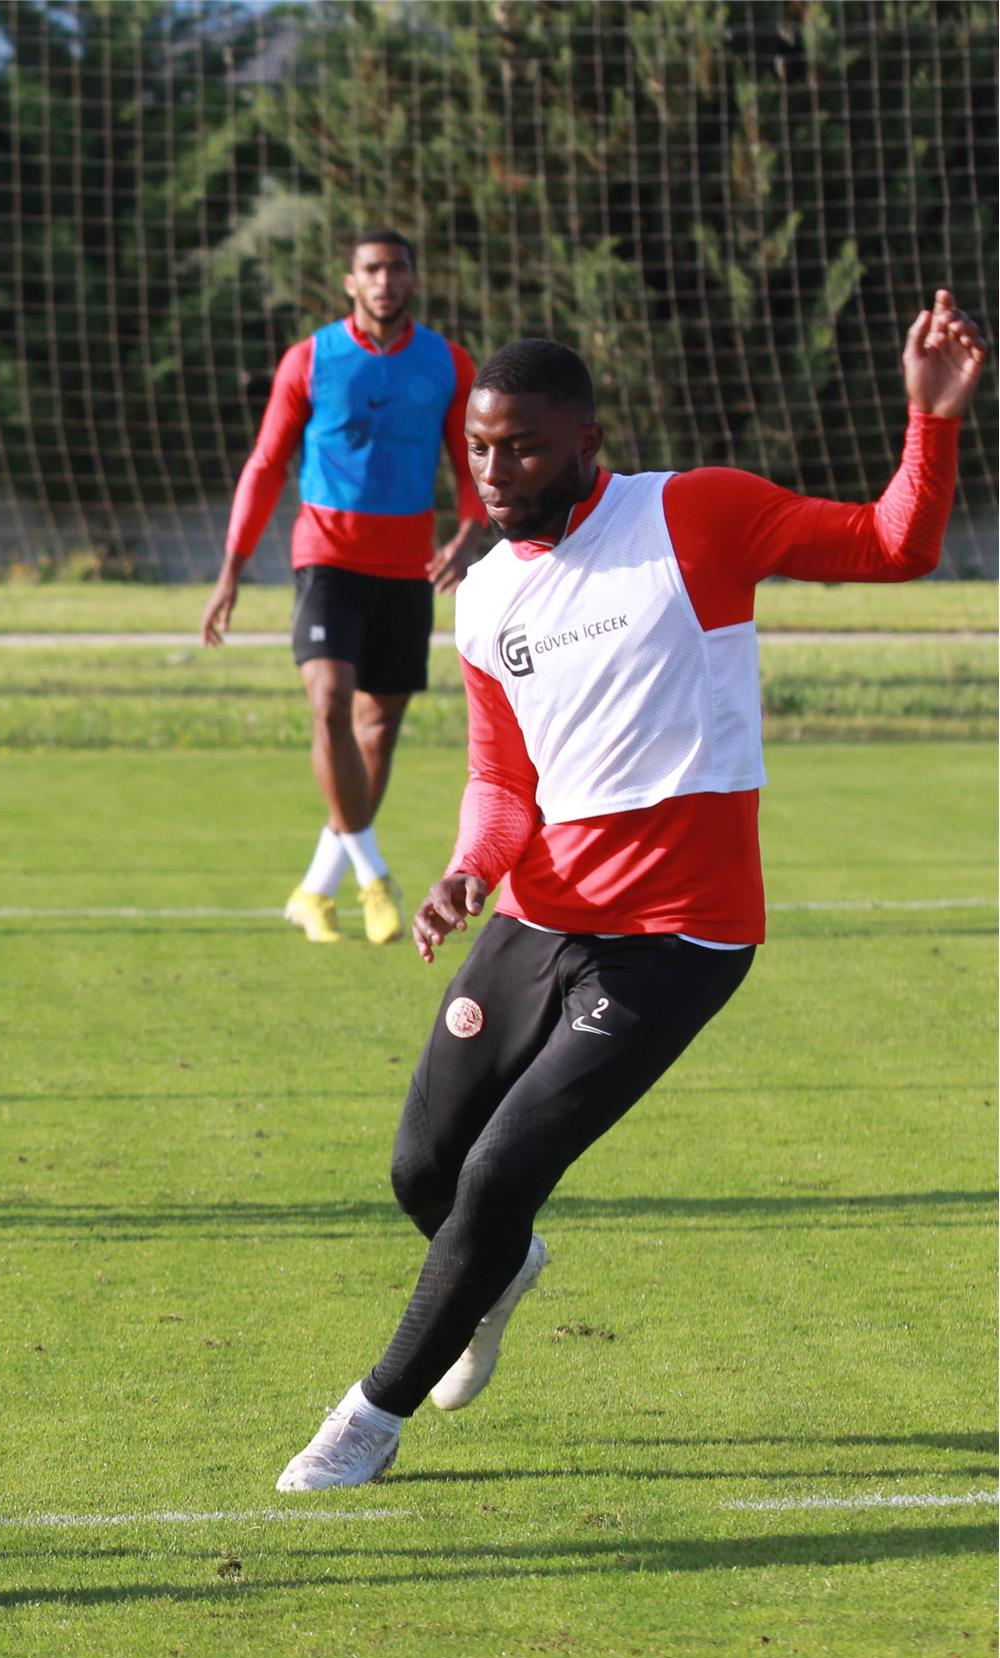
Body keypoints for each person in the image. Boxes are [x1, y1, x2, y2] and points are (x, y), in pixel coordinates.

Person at [275, 290, 986, 1490]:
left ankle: (368, 1419)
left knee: (499, 1175)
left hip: (677, 937)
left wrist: (932, 421)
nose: (494, 470)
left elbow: (893, 544)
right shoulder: (487, 593)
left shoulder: (695, 514)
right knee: (423, 1173)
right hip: (538, 913)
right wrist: (469, 868)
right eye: (481, 448)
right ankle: (498, 1269)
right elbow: (504, 779)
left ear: (587, 441)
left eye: (523, 447)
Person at [200, 228, 487, 946]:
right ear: (350, 282)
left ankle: (316, 889)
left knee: (377, 728)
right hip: (326, 558)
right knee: (329, 700)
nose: (385, 281)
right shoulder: (310, 359)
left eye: (397, 268)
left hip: (409, 567)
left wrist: (468, 534)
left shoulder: (448, 363)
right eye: (371, 269)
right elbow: (266, 464)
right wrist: (232, 569)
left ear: (413, 279)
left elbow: (473, 460)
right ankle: (374, 876)